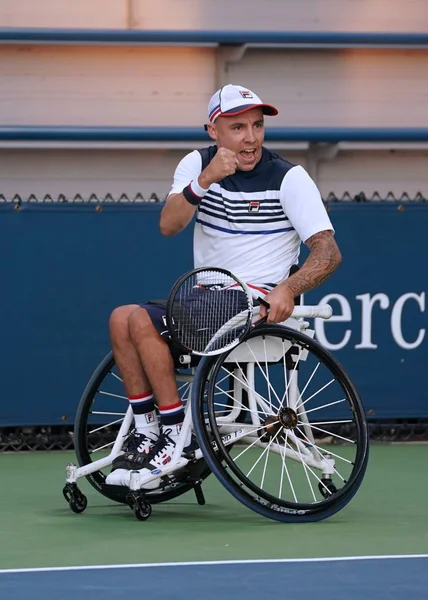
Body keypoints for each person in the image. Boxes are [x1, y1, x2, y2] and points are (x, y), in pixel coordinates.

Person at [106, 84, 341, 487]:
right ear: (213, 131)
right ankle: (148, 431)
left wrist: (287, 287)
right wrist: (206, 179)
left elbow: (328, 253)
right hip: (203, 301)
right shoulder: (194, 165)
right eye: (237, 127)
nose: (250, 137)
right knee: (121, 318)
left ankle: (180, 433)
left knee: (143, 322)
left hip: (253, 305)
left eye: (257, 126)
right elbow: (169, 225)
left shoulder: (290, 178)